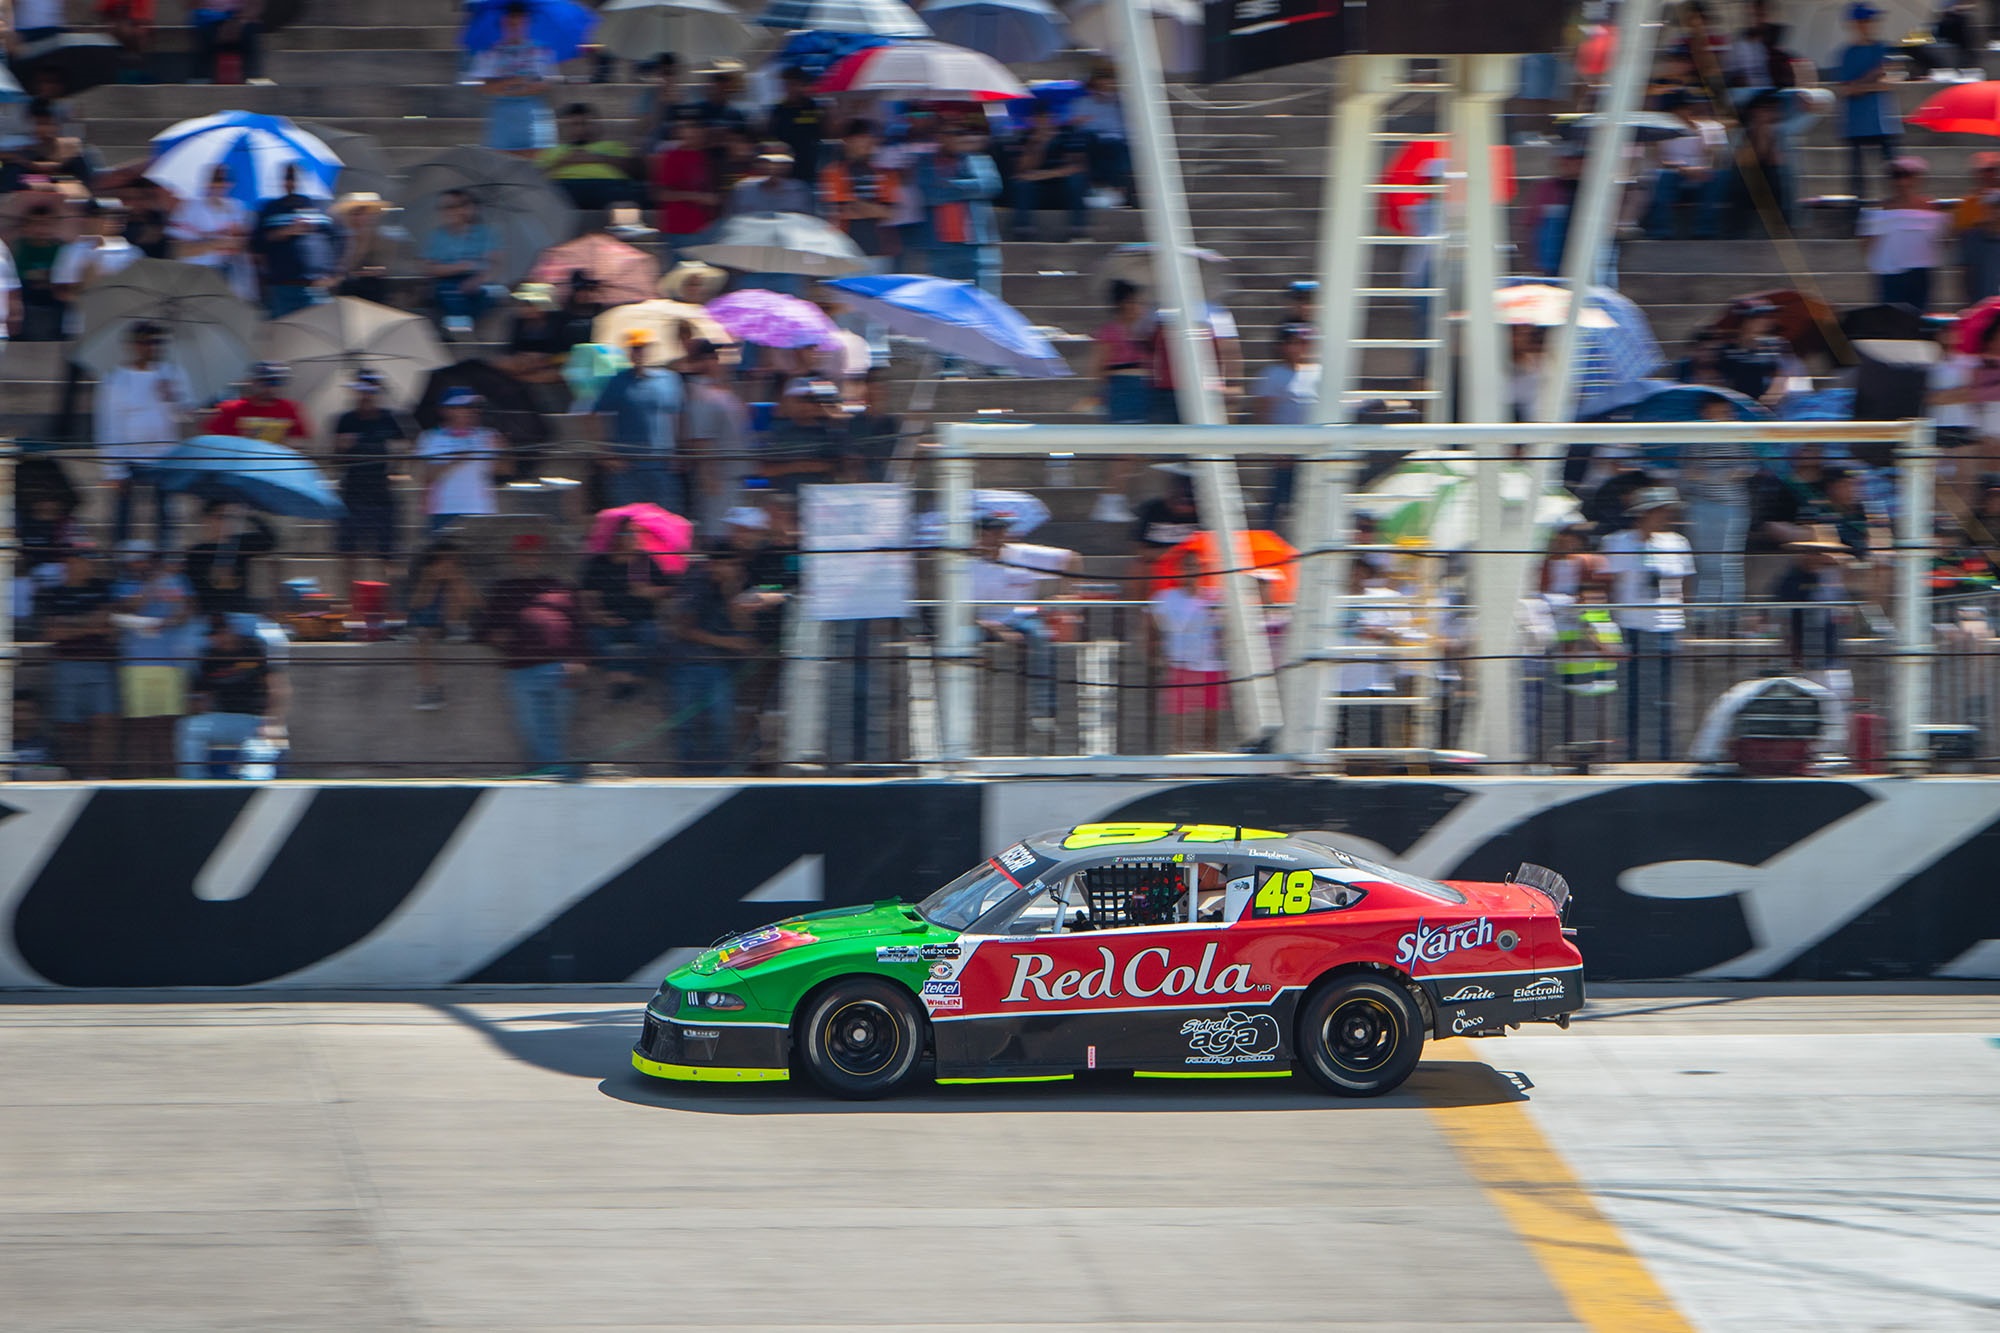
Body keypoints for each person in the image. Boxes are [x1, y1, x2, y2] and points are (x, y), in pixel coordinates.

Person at [477, 533, 585, 778]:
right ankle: (556, 774)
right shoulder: (503, 589)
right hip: (521, 668)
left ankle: (549, 773)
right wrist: (497, 637)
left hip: (561, 667)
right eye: (524, 554)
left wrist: (580, 659)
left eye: (535, 554)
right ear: (515, 557)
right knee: (533, 729)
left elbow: (578, 624)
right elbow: (484, 629)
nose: (530, 559)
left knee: (555, 729)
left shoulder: (560, 588)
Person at [1602, 486, 1694, 762]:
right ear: (1644, 514)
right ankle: (1630, 753)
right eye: (1661, 511)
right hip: (1632, 626)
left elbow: (1684, 584)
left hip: (1667, 627)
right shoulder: (1617, 542)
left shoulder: (1677, 543)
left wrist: (1683, 621)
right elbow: (1610, 586)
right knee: (1631, 696)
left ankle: (1664, 754)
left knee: (1664, 697)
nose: (1667, 516)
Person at [969, 514, 1075, 735]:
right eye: (992, 531)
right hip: (979, 621)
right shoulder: (966, 565)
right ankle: (970, 712)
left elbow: (1071, 558)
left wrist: (1068, 594)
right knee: (963, 643)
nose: (999, 536)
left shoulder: (1022, 553)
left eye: (1001, 531)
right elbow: (961, 611)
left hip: (1021, 618)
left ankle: (1043, 711)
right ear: (979, 535)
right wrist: (997, 629)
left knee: (1040, 638)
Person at [92, 320, 191, 544]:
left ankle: (165, 563)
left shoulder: (173, 374)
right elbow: (108, 425)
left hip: (166, 457)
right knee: (123, 518)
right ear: (134, 345)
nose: (152, 348)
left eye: (158, 343)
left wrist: (172, 397)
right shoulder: (115, 380)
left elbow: (185, 416)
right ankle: (120, 565)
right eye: (147, 343)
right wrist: (113, 470)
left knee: (166, 518)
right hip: (129, 458)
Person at [668, 541, 761, 774]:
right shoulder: (696, 583)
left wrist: (731, 590)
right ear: (714, 565)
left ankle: (718, 774)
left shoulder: (738, 586)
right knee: (687, 724)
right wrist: (726, 642)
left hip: (721, 668)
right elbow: (682, 629)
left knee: (722, 726)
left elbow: (745, 624)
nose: (732, 569)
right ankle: (686, 774)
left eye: (735, 565)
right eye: (727, 564)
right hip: (689, 665)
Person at [111, 539, 194, 775]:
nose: (140, 565)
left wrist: (167, 620)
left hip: (170, 663)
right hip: (136, 665)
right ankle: (141, 778)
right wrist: (150, 586)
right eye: (135, 561)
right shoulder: (123, 585)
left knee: (167, 725)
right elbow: (126, 610)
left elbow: (185, 612)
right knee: (140, 726)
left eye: (145, 559)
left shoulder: (175, 581)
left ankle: (168, 777)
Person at [37, 541, 120, 778]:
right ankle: (74, 775)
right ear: (67, 563)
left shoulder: (102, 588)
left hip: (100, 664)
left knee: (104, 723)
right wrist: (89, 624)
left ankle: (99, 776)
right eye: (80, 560)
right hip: (66, 664)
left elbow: (109, 627)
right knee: (69, 727)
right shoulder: (54, 593)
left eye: (89, 560)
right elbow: (51, 632)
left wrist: (72, 624)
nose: (87, 565)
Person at [175, 613, 280, 777]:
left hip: (254, 721)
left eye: (220, 633)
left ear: (232, 631)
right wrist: (195, 703)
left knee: (257, 771)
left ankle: (254, 786)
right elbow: (199, 698)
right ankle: (194, 783)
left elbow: (277, 689)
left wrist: (272, 722)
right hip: (221, 718)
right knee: (188, 726)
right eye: (212, 635)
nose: (216, 638)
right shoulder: (208, 657)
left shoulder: (253, 649)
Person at [594, 328, 686, 511]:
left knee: (665, 520)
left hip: (662, 466)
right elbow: (595, 416)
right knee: (627, 523)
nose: (639, 352)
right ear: (629, 352)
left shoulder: (670, 379)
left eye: (643, 348)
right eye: (635, 348)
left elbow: (679, 416)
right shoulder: (617, 381)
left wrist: (680, 451)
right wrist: (604, 453)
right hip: (627, 468)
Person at [331, 370, 407, 589]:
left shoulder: (390, 418)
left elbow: (406, 449)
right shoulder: (345, 420)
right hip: (352, 494)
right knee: (348, 554)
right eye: (361, 389)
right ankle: (349, 603)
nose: (366, 395)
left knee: (388, 554)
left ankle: (386, 603)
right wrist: (341, 448)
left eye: (371, 390)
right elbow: (334, 459)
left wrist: (396, 468)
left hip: (382, 495)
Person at [579, 518, 670, 699]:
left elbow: (669, 588)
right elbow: (586, 596)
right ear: (616, 536)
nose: (635, 538)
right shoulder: (599, 563)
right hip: (608, 621)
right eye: (629, 533)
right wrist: (597, 616)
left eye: (637, 533)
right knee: (593, 637)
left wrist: (650, 591)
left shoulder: (642, 561)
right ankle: (617, 675)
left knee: (652, 636)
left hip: (640, 620)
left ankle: (633, 677)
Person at [1150, 553, 1226, 752]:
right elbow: (1153, 630)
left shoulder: (1215, 596)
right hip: (1180, 663)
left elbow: (1224, 626)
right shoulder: (1166, 598)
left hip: (1211, 663)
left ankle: (1210, 761)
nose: (1191, 570)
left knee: (1210, 720)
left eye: (1196, 565)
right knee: (1180, 720)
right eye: (1187, 566)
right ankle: (1178, 762)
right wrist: (1158, 657)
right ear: (1179, 571)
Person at [680, 337, 752, 539]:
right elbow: (701, 439)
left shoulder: (722, 390)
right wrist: (708, 477)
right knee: (717, 536)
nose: (719, 362)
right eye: (713, 357)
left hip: (735, 474)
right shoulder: (701, 394)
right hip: (718, 479)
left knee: (733, 534)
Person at [919, 126, 1001, 295]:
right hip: (940, 246)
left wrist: (949, 184)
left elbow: (988, 187)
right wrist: (966, 187)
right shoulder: (926, 164)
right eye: (947, 134)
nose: (953, 139)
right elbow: (931, 195)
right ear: (939, 138)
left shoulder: (979, 160)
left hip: (975, 244)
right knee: (941, 302)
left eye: (957, 135)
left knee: (986, 299)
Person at [250, 165, 341, 316]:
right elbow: (256, 244)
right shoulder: (270, 209)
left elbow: (338, 239)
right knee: (284, 335)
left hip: (316, 288)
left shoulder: (320, 207)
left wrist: (334, 273)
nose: (292, 182)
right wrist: (283, 232)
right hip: (282, 288)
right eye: (288, 177)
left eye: (295, 177)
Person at [1859, 157, 1948, 308]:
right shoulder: (1881, 210)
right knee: (1892, 319)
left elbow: (1942, 241)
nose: (1902, 182)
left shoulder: (1931, 208)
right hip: (1890, 276)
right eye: (1896, 176)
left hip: (1920, 275)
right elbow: (1867, 244)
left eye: (1907, 176)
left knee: (1919, 319)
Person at [1835, 3, 1901, 208]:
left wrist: (1861, 85)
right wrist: (1873, 78)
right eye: (1866, 21)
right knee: (1857, 177)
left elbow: (1891, 83)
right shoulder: (1847, 53)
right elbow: (1847, 90)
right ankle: (1855, 214)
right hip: (1856, 124)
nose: (1870, 25)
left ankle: (1896, 206)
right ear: (1856, 24)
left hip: (1884, 122)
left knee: (1894, 172)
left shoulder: (1883, 48)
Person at [472, 0, 557, 155]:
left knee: (536, 164)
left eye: (519, 22)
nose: (515, 27)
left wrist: (509, 87)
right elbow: (484, 86)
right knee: (503, 164)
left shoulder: (541, 50)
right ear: (503, 23)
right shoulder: (490, 52)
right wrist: (515, 82)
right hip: (503, 117)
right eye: (510, 23)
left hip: (533, 114)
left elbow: (546, 82)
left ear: (527, 22)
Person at [1643, 89, 1728, 240]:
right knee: (1662, 177)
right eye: (1676, 109)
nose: (1681, 112)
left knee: (1719, 176)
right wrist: (1681, 168)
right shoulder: (1657, 131)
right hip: (1672, 173)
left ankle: (1706, 229)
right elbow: (1656, 159)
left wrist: (1702, 168)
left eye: (1684, 108)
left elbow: (1716, 157)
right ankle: (1660, 230)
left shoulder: (1710, 127)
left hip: (1702, 173)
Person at [416, 388, 504, 531]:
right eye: (465, 407)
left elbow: (502, 471)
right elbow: (427, 475)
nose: (471, 411)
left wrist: (503, 453)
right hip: (444, 510)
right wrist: (456, 459)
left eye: (474, 407)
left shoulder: (488, 435)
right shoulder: (430, 437)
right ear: (447, 410)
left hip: (480, 509)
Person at [407, 536, 476, 710]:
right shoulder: (426, 577)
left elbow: (472, 604)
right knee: (422, 638)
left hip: (458, 624)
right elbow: (415, 605)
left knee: (454, 595)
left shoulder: (461, 577)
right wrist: (430, 582)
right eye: (443, 560)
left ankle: (456, 628)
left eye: (452, 560)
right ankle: (429, 689)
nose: (448, 564)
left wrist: (456, 580)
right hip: (431, 625)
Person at [168, 162, 256, 299]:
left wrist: (240, 239)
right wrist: (215, 243)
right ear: (206, 181)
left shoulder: (238, 207)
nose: (220, 184)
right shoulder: (189, 207)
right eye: (216, 179)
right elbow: (176, 250)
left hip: (230, 274)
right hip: (197, 272)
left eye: (226, 180)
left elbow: (244, 245)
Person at [423, 188, 500, 337]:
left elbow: (495, 265)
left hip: (479, 281)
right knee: (451, 293)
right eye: (445, 208)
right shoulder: (438, 235)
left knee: (488, 293)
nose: (448, 212)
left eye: (453, 207)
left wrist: (478, 279)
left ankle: (459, 327)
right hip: (449, 281)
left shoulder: (485, 233)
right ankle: (460, 329)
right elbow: (429, 268)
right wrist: (458, 267)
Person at [1007, 103, 1089, 242]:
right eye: (1039, 119)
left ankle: (1078, 229)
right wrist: (1037, 145)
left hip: (1062, 188)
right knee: (1021, 185)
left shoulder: (1067, 135)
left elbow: (1077, 167)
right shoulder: (1025, 138)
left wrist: (1044, 175)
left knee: (1076, 180)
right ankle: (1023, 230)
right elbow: (1021, 170)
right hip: (1037, 191)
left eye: (1046, 118)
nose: (1043, 122)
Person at [536, 102, 641, 209]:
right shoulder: (552, 151)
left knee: (625, 197)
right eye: (574, 124)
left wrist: (600, 158)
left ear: (596, 125)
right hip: (565, 187)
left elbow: (635, 171)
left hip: (609, 186)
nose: (580, 129)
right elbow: (536, 177)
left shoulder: (613, 146)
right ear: (565, 127)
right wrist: (562, 162)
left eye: (585, 123)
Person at [819, 119, 899, 259]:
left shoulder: (884, 173)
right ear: (848, 141)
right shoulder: (834, 172)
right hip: (842, 251)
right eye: (862, 138)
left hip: (879, 250)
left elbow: (889, 213)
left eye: (871, 139)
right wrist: (873, 209)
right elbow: (841, 211)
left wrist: (854, 202)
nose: (868, 143)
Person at [183, 499, 276, 617]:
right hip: (210, 617)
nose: (226, 523)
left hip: (240, 613)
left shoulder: (240, 544)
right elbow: (194, 586)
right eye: (220, 517)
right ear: (207, 520)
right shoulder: (197, 552)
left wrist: (249, 515)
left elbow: (270, 539)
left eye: (231, 518)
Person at [652, 112, 719, 253]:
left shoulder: (712, 157)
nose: (690, 132)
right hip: (679, 229)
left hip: (708, 230)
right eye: (686, 128)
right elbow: (662, 194)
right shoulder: (672, 157)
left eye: (695, 128)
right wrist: (697, 197)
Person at [207, 360, 309, 445]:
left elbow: (300, 440)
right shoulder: (232, 409)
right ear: (252, 382)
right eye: (265, 382)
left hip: (276, 464)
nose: (271, 388)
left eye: (276, 382)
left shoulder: (289, 409)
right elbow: (214, 441)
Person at [1069, 67, 1132, 206]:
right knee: (1094, 145)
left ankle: (1116, 191)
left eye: (1109, 82)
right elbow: (1078, 124)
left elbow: (1129, 126)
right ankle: (1097, 187)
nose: (1105, 86)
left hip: (1117, 140)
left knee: (1115, 147)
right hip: (1092, 138)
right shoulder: (1083, 103)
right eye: (1101, 82)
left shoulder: (1122, 102)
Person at [1716, 299, 1791, 405]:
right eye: (1760, 317)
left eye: (1768, 317)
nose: (1767, 321)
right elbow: (1720, 381)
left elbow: (1780, 376)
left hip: (1766, 408)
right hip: (1736, 407)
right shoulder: (1727, 349)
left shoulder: (1774, 345)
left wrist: (1771, 397)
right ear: (1745, 321)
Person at [766, 65, 827, 184]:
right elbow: (770, 136)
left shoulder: (814, 107)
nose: (791, 89)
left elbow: (827, 133)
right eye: (788, 84)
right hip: (786, 172)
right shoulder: (779, 110)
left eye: (795, 84)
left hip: (811, 168)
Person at [11, 202, 63, 341]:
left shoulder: (60, 248)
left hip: (53, 301)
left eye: (46, 224)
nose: (40, 229)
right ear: (26, 227)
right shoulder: (21, 247)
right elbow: (17, 273)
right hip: (26, 300)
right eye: (35, 224)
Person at [1954, 153, 2000, 304]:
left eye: (1993, 169)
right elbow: (1967, 266)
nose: (1989, 174)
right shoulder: (1967, 206)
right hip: (1981, 295)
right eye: (1985, 170)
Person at [723, 144, 812, 217]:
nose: (773, 165)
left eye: (780, 161)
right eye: (767, 160)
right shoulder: (742, 189)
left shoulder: (801, 190)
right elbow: (729, 224)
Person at [190, 0, 265, 85]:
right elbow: (192, 5)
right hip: (208, 18)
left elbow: (255, 5)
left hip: (240, 19)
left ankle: (253, 76)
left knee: (249, 31)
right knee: (205, 32)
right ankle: (201, 79)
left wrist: (237, 22)